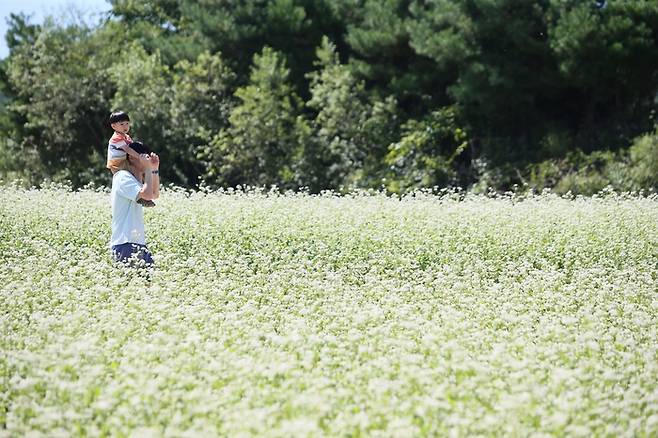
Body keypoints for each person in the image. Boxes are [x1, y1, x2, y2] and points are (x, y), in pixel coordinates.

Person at [110, 140, 160, 267]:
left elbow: (154, 195)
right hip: (124, 244)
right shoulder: (122, 177)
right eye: (144, 157)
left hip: (137, 242)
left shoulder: (134, 181)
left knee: (150, 284)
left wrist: (154, 169)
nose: (147, 161)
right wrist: (148, 169)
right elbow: (147, 194)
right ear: (132, 158)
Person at [107, 111, 155, 207]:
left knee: (139, 172)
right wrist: (140, 157)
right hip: (117, 164)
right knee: (136, 172)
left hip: (124, 161)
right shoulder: (116, 138)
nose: (125, 126)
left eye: (127, 124)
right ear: (113, 126)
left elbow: (133, 147)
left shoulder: (126, 137)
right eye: (122, 124)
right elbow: (128, 150)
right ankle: (141, 196)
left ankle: (144, 194)